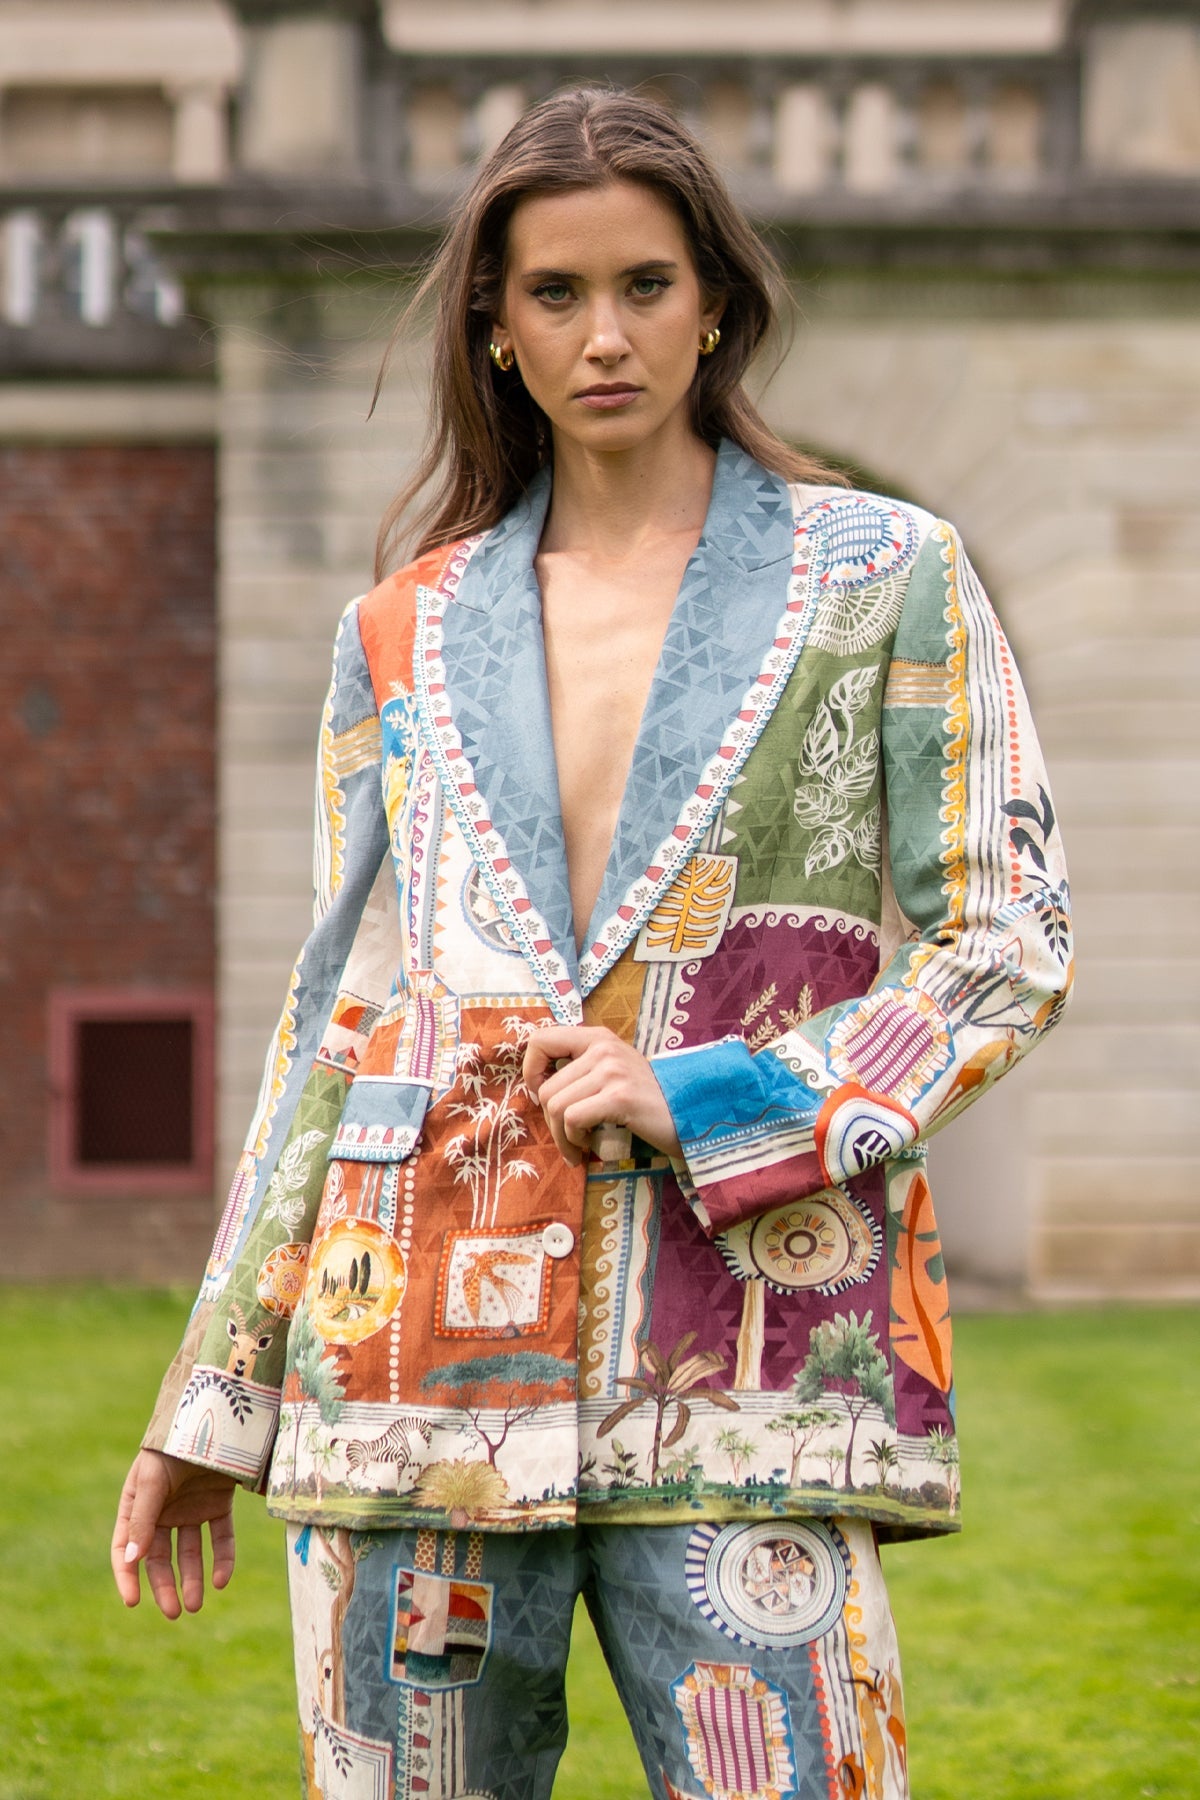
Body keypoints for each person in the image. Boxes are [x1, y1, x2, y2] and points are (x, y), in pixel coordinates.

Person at [112, 86, 1072, 1800]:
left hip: (744, 1376)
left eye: (645, 284)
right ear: (495, 327)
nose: (605, 333)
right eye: (555, 293)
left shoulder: (888, 579)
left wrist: (721, 1096)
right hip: (404, 1383)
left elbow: (1008, 941)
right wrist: (217, 1395)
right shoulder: (399, 629)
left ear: (716, 301)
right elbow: (337, 1019)